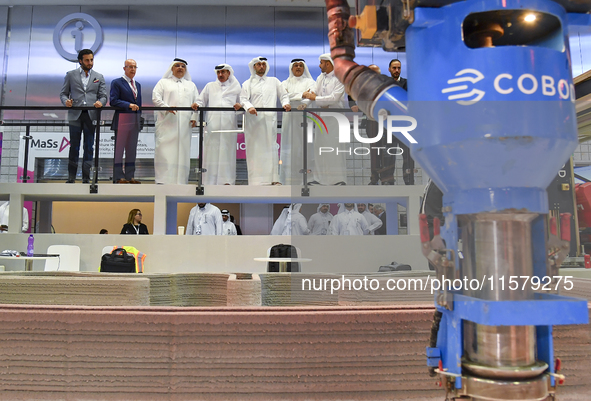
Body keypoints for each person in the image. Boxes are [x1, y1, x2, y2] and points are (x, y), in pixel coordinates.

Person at [239, 56, 291, 185]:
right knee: (255, 150)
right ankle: (256, 181)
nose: (261, 66)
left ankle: (273, 179)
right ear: (254, 67)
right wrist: (249, 107)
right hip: (254, 123)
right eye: (258, 64)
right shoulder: (247, 83)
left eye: (263, 64)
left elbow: (284, 95)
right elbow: (243, 99)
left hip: (269, 121)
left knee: (271, 148)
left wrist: (285, 103)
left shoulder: (274, 81)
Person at [59, 49, 107, 183]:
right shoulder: (70, 75)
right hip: (75, 114)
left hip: (91, 115)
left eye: (91, 60)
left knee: (89, 146)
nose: (90, 62)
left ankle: (86, 177)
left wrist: (100, 102)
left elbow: (103, 96)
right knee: (74, 145)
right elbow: (63, 94)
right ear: (80, 61)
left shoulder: (99, 76)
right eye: (87, 60)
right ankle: (71, 177)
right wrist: (66, 102)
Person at [302, 54, 347, 186]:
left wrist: (315, 99)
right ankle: (320, 179)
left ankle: (337, 180)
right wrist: (305, 103)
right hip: (321, 118)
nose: (319, 65)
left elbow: (334, 98)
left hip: (335, 119)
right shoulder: (320, 77)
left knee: (334, 149)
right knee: (320, 149)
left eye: (321, 63)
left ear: (328, 63)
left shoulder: (340, 78)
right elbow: (313, 92)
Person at [152, 58, 200, 184]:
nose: (180, 68)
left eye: (183, 66)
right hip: (167, 124)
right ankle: (163, 181)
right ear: (172, 68)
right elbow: (155, 98)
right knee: (165, 152)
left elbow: (197, 103)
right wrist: (167, 108)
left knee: (183, 153)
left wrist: (194, 117)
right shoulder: (163, 82)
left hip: (185, 125)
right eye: (177, 66)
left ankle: (181, 181)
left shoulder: (191, 85)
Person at [197, 64, 242, 185]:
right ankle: (209, 182)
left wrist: (240, 107)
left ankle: (226, 181)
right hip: (212, 126)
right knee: (211, 153)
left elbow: (243, 105)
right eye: (218, 72)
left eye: (223, 72)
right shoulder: (210, 86)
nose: (220, 75)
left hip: (229, 126)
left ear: (229, 73)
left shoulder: (236, 87)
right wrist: (196, 105)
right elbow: (200, 101)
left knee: (227, 154)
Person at [280, 58, 315, 185]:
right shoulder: (284, 83)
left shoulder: (311, 82)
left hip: (305, 118)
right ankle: (289, 178)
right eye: (296, 66)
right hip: (290, 119)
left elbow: (310, 96)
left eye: (301, 65)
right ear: (291, 68)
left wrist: (300, 97)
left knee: (306, 147)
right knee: (290, 147)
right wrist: (301, 95)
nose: (298, 67)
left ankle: (308, 179)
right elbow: (284, 96)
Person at [110, 59, 142, 184]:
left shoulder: (137, 84)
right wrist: (129, 105)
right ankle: (118, 177)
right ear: (124, 68)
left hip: (134, 122)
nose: (133, 69)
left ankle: (130, 176)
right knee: (119, 150)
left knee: (132, 150)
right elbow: (113, 101)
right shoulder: (117, 82)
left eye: (135, 67)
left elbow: (138, 104)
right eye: (130, 67)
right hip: (122, 120)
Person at [366, 64, 396, 185]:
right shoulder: (363, 87)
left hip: (386, 123)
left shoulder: (386, 85)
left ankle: (387, 178)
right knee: (374, 151)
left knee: (388, 151)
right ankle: (374, 177)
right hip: (371, 122)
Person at [388, 58, 414, 185]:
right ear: (389, 69)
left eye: (399, 68)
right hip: (389, 126)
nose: (397, 70)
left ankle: (409, 180)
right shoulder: (384, 84)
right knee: (389, 154)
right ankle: (388, 181)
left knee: (408, 155)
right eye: (394, 68)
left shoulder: (408, 83)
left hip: (404, 125)